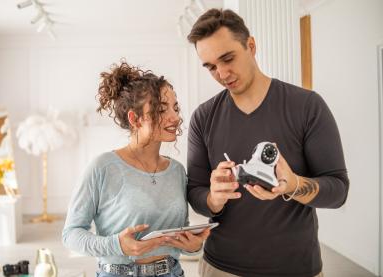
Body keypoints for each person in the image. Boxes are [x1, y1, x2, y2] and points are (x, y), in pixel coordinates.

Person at [185, 9, 349, 277]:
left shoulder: (307, 106)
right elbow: (195, 193)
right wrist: (213, 198)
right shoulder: (203, 117)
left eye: (228, 58)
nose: (222, 73)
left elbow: (339, 191)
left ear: (251, 46)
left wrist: (293, 185)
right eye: (211, 66)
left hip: (296, 269)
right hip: (220, 268)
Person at [62, 61, 210, 277]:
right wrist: (117, 246)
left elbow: (179, 234)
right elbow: (71, 235)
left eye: (175, 108)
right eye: (161, 109)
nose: (176, 117)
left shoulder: (177, 171)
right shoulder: (102, 167)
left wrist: (193, 246)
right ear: (135, 118)